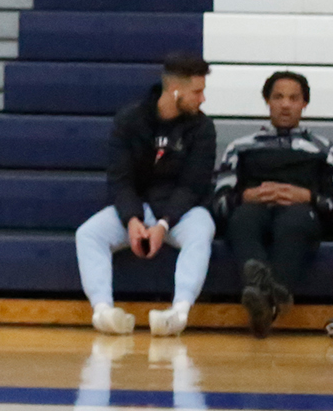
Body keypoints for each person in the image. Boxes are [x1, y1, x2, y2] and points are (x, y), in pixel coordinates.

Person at [74, 52, 217, 338]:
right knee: (88, 234)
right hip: (139, 207)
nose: (202, 99)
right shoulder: (130, 120)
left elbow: (193, 186)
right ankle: (103, 311)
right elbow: (120, 179)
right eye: (197, 92)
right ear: (175, 90)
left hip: (179, 212)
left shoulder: (203, 128)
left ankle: (179, 312)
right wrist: (131, 219)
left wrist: (164, 224)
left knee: (202, 230)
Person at [211, 70, 333, 337]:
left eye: (293, 98)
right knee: (242, 218)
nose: (285, 105)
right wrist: (244, 196)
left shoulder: (325, 150)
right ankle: (272, 301)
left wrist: (308, 197)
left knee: (293, 221)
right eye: (278, 97)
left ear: (304, 103)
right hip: (253, 210)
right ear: (267, 101)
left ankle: (262, 298)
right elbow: (218, 202)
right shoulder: (240, 147)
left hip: (302, 214)